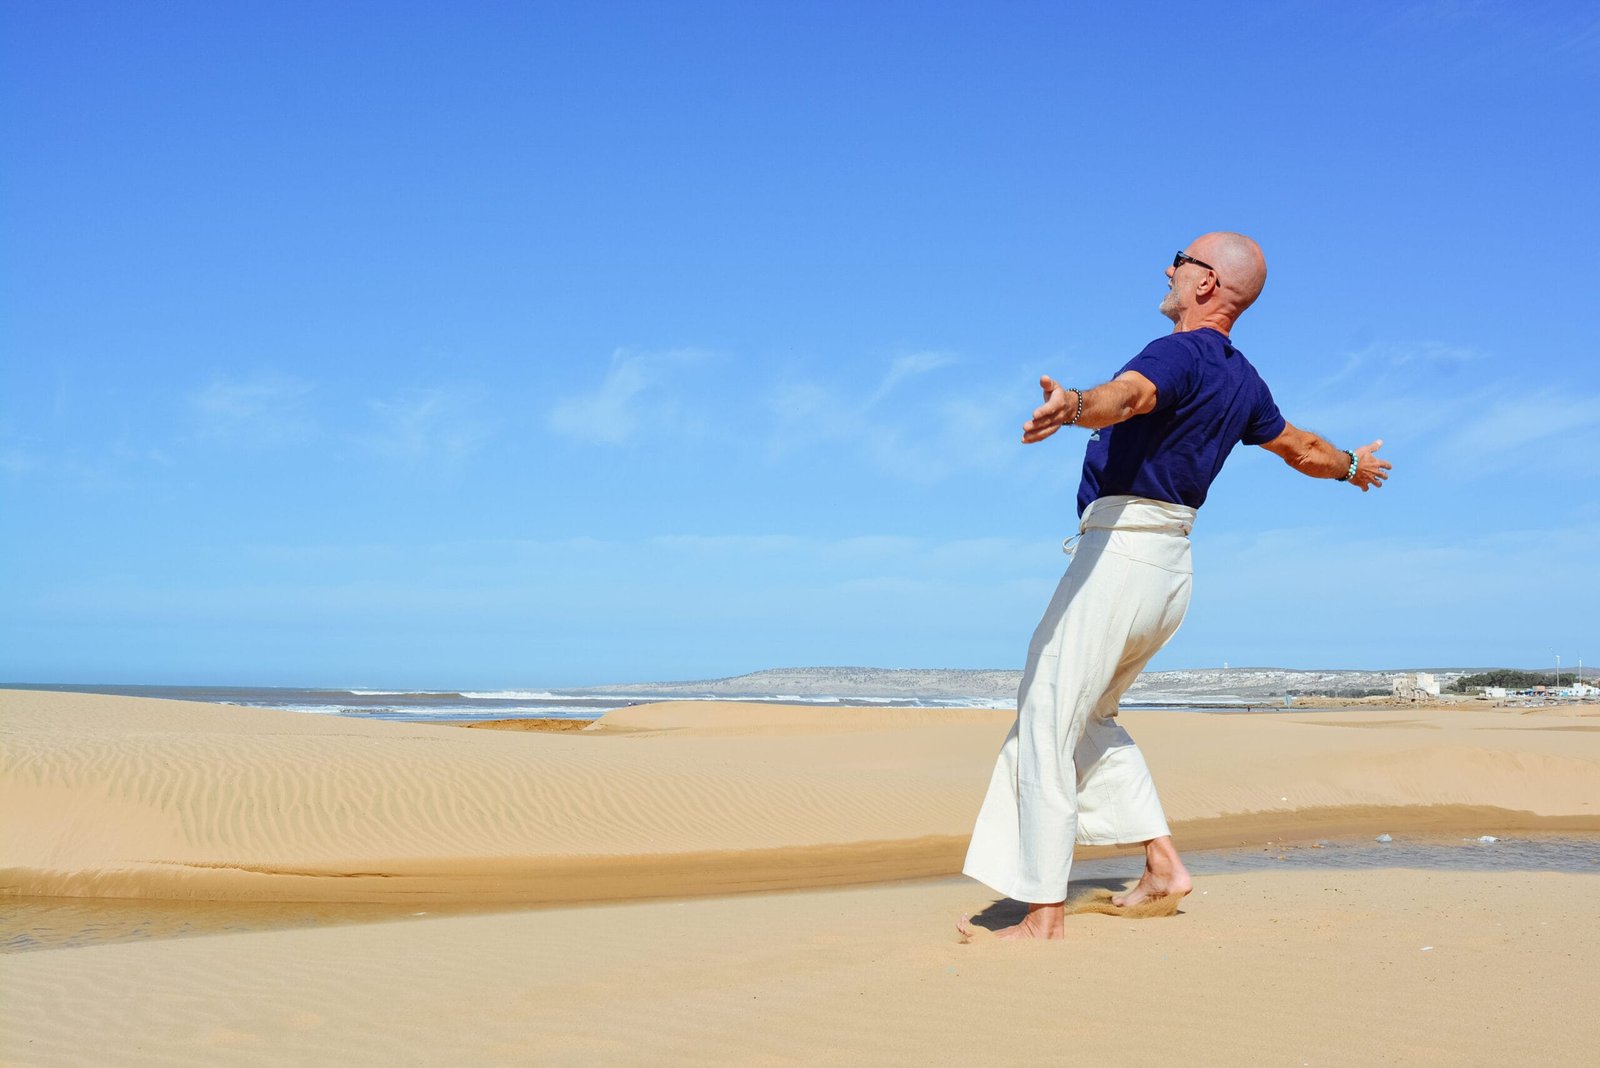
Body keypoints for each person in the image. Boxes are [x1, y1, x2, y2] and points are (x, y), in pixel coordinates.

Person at [959, 232, 1391, 940]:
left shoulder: (1178, 353)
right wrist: (1350, 464)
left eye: (1180, 260)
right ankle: (1162, 867)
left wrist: (1073, 406)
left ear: (1208, 284)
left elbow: (1126, 398)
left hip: (1121, 557)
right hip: (1169, 569)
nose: (1167, 268)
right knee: (1090, 718)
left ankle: (1042, 913)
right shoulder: (1242, 377)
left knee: (1047, 716)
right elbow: (1302, 449)